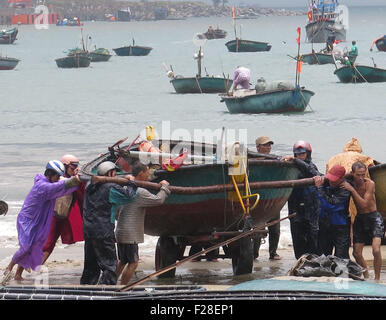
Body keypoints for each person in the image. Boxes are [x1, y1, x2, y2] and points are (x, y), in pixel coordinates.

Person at [2, 160, 80, 284]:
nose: (57, 178)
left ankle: (17, 274)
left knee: (33, 246)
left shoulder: (46, 181)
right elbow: (60, 186)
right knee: (26, 247)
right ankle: (9, 267)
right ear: (49, 174)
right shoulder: (43, 186)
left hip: (38, 219)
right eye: (56, 176)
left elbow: (62, 182)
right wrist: (75, 180)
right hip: (27, 220)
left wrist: (75, 178)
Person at [80, 161, 137, 285]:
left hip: (89, 230)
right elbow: (129, 196)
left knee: (90, 266)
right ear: (110, 173)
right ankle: (105, 291)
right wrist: (132, 182)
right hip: (103, 231)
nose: (116, 175)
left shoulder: (89, 185)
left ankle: (86, 289)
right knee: (110, 266)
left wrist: (121, 179)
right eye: (114, 173)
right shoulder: (111, 188)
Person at [115, 162, 170, 285]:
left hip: (121, 230)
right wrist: (165, 187)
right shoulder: (139, 191)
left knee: (122, 261)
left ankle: (109, 284)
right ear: (141, 173)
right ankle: (123, 288)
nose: (148, 175)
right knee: (133, 263)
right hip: (130, 233)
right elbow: (158, 200)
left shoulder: (126, 186)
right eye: (147, 173)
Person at [326, 137, 375, 243]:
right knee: (353, 211)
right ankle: (352, 241)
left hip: (336, 186)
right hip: (353, 185)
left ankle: (346, 240)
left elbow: (327, 173)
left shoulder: (334, 158)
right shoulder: (363, 157)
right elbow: (371, 165)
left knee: (342, 212)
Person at [342, 162, 384, 281]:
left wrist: (352, 190)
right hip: (360, 219)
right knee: (356, 253)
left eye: (363, 174)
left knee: (375, 249)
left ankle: (377, 278)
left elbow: (364, 204)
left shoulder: (370, 184)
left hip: (373, 218)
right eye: (357, 175)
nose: (360, 178)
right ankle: (366, 275)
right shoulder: (350, 182)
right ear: (352, 173)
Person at [281, 141, 323, 259]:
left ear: (308, 153)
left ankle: (314, 260)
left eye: (302, 154)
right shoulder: (290, 167)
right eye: (298, 155)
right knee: (297, 235)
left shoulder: (311, 166)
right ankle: (300, 260)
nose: (300, 156)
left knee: (312, 234)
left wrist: (296, 161)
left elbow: (314, 173)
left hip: (311, 206)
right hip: (295, 206)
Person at [41, 154, 85, 265]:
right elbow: (66, 183)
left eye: (76, 167)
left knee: (50, 245)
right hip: (52, 216)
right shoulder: (58, 179)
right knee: (46, 244)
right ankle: (28, 269)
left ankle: (34, 268)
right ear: (64, 166)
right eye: (72, 167)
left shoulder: (69, 178)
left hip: (61, 216)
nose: (74, 169)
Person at [253, 136, 281, 260]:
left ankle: (273, 252)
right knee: (258, 228)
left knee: (275, 227)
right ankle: (254, 253)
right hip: (257, 199)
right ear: (258, 147)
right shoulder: (252, 161)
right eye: (265, 145)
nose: (268, 148)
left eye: (269, 145)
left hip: (272, 197)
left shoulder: (274, 160)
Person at [316, 165, 351, 259]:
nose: (331, 181)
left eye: (334, 180)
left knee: (341, 258)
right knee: (323, 257)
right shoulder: (326, 183)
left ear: (342, 178)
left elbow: (330, 206)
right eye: (330, 179)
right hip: (325, 225)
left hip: (340, 227)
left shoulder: (345, 190)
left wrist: (319, 188)